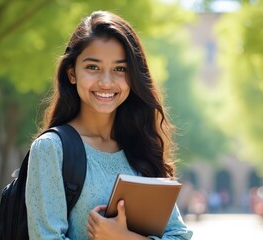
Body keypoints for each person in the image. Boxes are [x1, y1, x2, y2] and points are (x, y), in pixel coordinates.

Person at [25, 10, 193, 240]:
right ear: (72, 73)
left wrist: (122, 237)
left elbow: (179, 235)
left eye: (120, 69)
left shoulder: (141, 146)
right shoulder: (52, 149)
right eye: (93, 67)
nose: (106, 81)